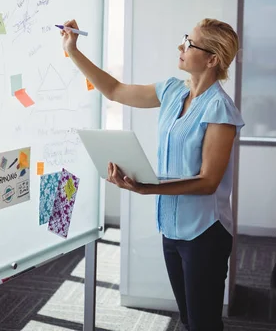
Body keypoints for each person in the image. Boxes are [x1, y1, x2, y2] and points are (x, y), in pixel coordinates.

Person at [60, 18, 244, 331]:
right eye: (186, 38)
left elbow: (208, 181)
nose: (181, 47)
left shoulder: (220, 109)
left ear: (212, 59)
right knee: (188, 319)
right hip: (170, 227)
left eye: (190, 43)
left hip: (205, 234)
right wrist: (72, 51)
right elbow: (115, 90)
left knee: (204, 324)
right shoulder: (172, 91)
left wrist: (147, 188)